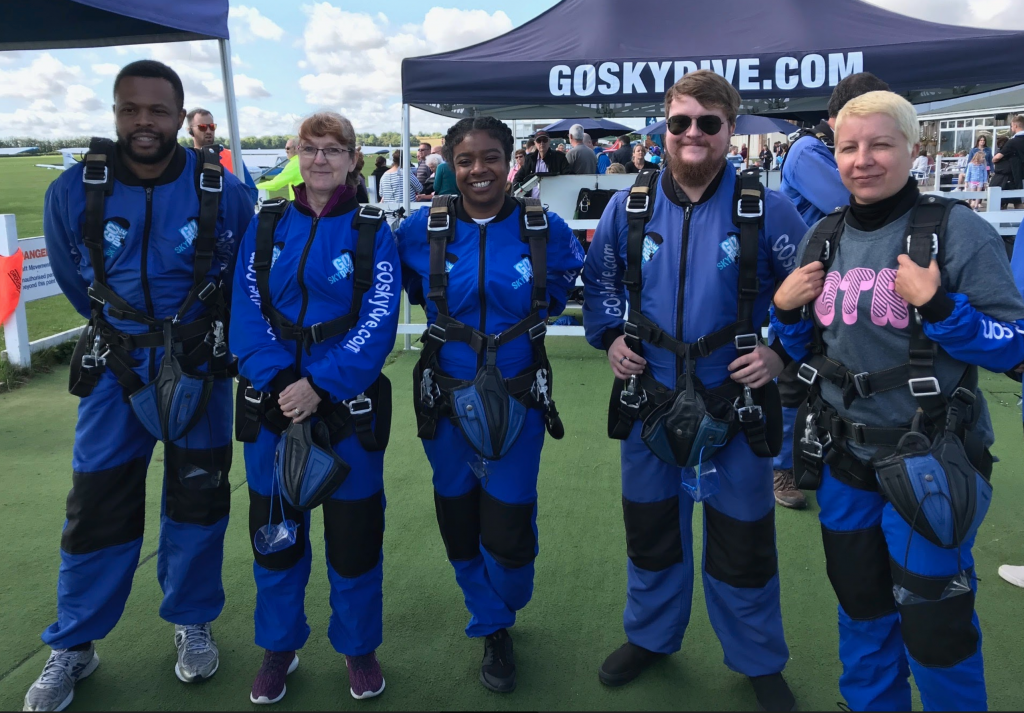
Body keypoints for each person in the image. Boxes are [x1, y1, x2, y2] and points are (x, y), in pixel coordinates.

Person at [771, 90, 1024, 712]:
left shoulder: (957, 230)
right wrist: (784, 314)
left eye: (881, 144)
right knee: (861, 608)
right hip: (844, 459)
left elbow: (1015, 348)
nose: (864, 160)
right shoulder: (822, 236)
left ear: (914, 148)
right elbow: (810, 348)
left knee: (935, 624)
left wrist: (941, 309)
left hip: (930, 459)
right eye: (849, 147)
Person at [27, 60, 256, 712]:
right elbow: (78, 284)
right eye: (131, 109)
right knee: (96, 505)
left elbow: (244, 278)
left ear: (181, 118)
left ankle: (190, 616)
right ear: (116, 113)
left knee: (199, 501)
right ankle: (75, 641)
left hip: (201, 368)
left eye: (158, 110)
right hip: (116, 369)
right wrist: (126, 335)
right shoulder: (77, 189)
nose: (144, 121)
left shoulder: (221, 189)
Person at [582, 69, 808, 712]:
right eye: (680, 121)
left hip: (734, 397)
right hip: (647, 393)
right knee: (651, 531)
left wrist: (778, 348)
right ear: (664, 127)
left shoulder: (767, 206)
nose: (693, 134)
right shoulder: (630, 205)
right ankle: (652, 638)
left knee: (743, 540)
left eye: (709, 123)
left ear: (730, 130)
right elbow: (599, 283)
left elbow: (815, 294)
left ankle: (758, 659)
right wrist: (608, 338)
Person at [397, 116, 584, 693]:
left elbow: (565, 285)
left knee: (507, 522)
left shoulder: (543, 227)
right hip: (445, 396)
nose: (478, 170)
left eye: (491, 158)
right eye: (466, 159)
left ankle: (505, 600)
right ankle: (492, 624)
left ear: (511, 162)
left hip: (519, 394)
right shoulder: (418, 230)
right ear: (451, 165)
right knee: (457, 513)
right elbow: (395, 285)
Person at [230, 111, 399, 705]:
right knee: (275, 538)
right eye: (310, 148)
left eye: (334, 149)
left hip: (344, 409)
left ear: (354, 158)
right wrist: (280, 382)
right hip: (272, 404)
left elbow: (379, 321)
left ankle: (358, 648)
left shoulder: (376, 229)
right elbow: (245, 311)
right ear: (295, 154)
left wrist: (320, 386)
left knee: (354, 540)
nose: (321, 158)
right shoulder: (267, 222)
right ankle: (279, 647)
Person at [774, 72, 891, 509]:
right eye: (856, 117)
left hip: (842, 277)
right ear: (834, 118)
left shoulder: (820, 147)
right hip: (805, 279)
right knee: (792, 376)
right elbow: (852, 197)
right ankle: (781, 468)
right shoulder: (807, 149)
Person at [186, 106, 258, 201]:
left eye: (212, 127)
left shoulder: (232, 157)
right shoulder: (186, 161)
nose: (208, 131)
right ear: (190, 131)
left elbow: (252, 193)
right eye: (202, 127)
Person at [512, 129, 568, 195]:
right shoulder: (529, 158)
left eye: (544, 140)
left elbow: (568, 176)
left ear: (549, 141)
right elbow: (517, 178)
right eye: (539, 140)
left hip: (553, 200)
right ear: (535, 143)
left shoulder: (559, 157)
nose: (542, 143)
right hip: (532, 201)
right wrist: (518, 193)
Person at [992, 115, 1024, 193]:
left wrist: (994, 159)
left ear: (1015, 125)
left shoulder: (1012, 142)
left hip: (1018, 175)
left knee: (1018, 201)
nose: (1011, 128)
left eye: (1011, 126)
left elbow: (997, 157)